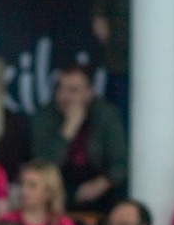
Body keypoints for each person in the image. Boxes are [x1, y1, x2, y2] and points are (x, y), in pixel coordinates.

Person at [29, 63, 126, 213]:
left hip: (100, 191)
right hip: (57, 192)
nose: (65, 96)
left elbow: (119, 163)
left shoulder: (106, 115)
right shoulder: (44, 117)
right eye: (60, 89)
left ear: (89, 93)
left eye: (73, 90)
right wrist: (68, 131)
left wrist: (101, 184)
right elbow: (43, 166)